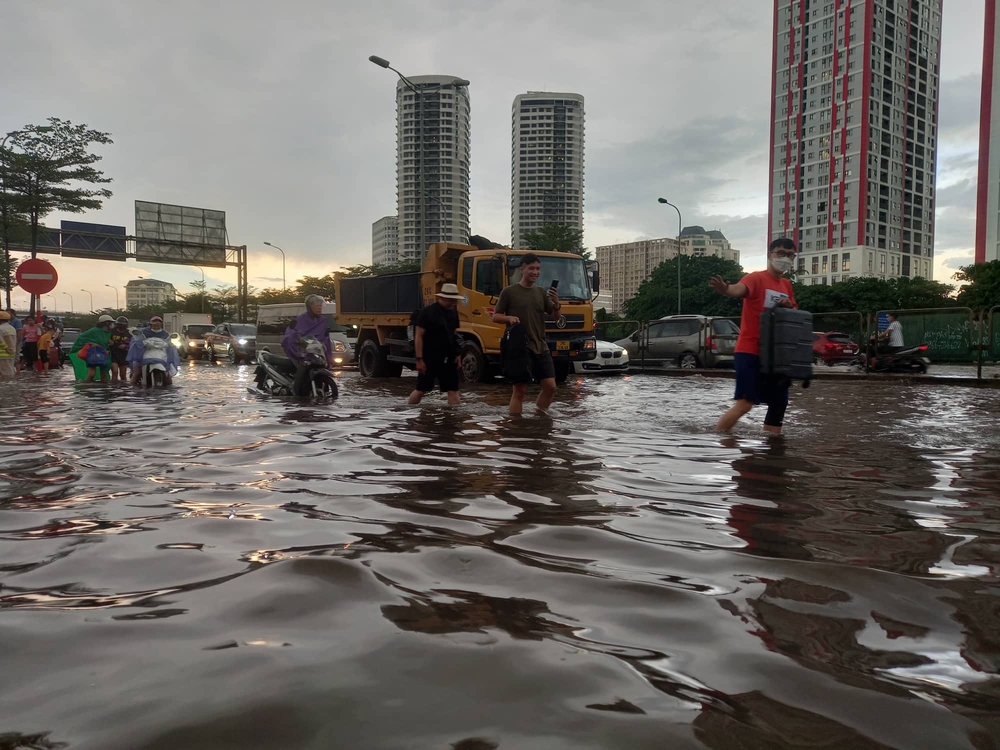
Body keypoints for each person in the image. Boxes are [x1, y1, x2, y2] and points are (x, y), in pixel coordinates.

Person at [710, 237, 799, 435]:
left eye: (789, 255)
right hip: (750, 349)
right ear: (770, 255)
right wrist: (726, 289)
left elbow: (793, 312)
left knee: (779, 403)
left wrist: (788, 306)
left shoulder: (786, 285)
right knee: (745, 403)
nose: (785, 258)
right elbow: (738, 290)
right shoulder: (755, 278)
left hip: (776, 354)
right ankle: (714, 440)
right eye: (780, 253)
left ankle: (772, 452)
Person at [491, 253, 562, 415]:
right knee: (520, 390)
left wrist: (557, 304)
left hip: (541, 346)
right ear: (522, 269)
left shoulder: (541, 292)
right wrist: (508, 318)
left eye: (538, 269)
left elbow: (556, 317)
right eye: (531, 268)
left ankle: (540, 417)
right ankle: (516, 427)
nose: (535, 272)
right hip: (520, 347)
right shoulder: (509, 292)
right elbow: (495, 316)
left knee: (551, 387)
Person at [409, 283, 463, 406]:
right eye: (450, 301)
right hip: (429, 357)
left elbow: (454, 334)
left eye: (455, 301)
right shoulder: (427, 312)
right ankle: (409, 412)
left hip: (449, 357)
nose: (453, 303)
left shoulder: (454, 312)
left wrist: (458, 354)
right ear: (442, 298)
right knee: (421, 389)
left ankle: (453, 420)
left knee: (453, 390)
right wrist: (419, 359)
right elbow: (419, 336)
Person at [281, 294, 336, 393]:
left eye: (320, 306)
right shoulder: (301, 319)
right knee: (303, 365)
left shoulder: (323, 321)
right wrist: (297, 339)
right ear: (309, 307)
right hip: (299, 351)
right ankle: (295, 390)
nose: (319, 308)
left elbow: (325, 338)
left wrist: (329, 357)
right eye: (316, 306)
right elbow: (291, 333)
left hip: (314, 352)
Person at [128, 315, 179, 386]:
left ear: (161, 325)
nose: (156, 326)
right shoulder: (144, 332)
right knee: (137, 372)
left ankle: (170, 388)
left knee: (168, 376)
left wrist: (170, 345)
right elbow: (137, 339)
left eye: (158, 325)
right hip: (146, 352)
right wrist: (139, 342)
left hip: (160, 354)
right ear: (151, 324)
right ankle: (130, 387)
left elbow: (169, 343)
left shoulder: (165, 333)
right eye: (154, 324)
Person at [69, 315, 115, 382]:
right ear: (106, 323)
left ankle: (104, 389)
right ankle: (87, 387)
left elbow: (104, 341)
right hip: (93, 353)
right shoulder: (94, 331)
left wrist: (110, 342)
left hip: (104, 354)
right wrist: (91, 343)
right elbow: (82, 338)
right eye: (110, 322)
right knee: (91, 374)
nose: (112, 324)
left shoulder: (109, 332)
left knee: (104, 373)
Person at [109, 316, 133, 382]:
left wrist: (126, 345)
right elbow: (107, 340)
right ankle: (114, 388)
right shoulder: (112, 332)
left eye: (122, 325)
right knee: (115, 371)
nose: (121, 326)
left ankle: (124, 389)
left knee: (123, 375)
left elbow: (132, 343)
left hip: (123, 354)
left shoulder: (129, 333)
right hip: (113, 354)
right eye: (119, 324)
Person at [0, 311, 17, 380]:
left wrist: (6, 348)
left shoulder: (0, 328)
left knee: (4, 375)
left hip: (2, 354)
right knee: (10, 371)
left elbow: (0, 341)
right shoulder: (12, 328)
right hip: (11, 354)